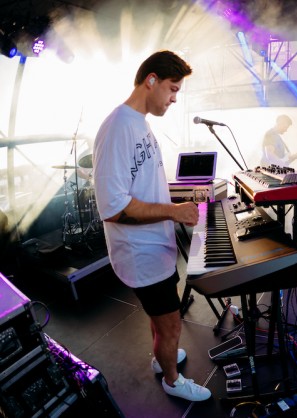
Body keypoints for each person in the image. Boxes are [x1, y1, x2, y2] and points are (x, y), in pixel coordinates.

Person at [93, 51, 211, 402]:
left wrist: (180, 202)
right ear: (151, 80)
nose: (174, 99)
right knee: (171, 323)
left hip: (156, 247)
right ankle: (172, 381)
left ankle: (163, 358)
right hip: (140, 252)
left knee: (161, 319)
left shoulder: (139, 122)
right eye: (173, 89)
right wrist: (174, 212)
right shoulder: (118, 127)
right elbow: (113, 208)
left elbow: (144, 185)